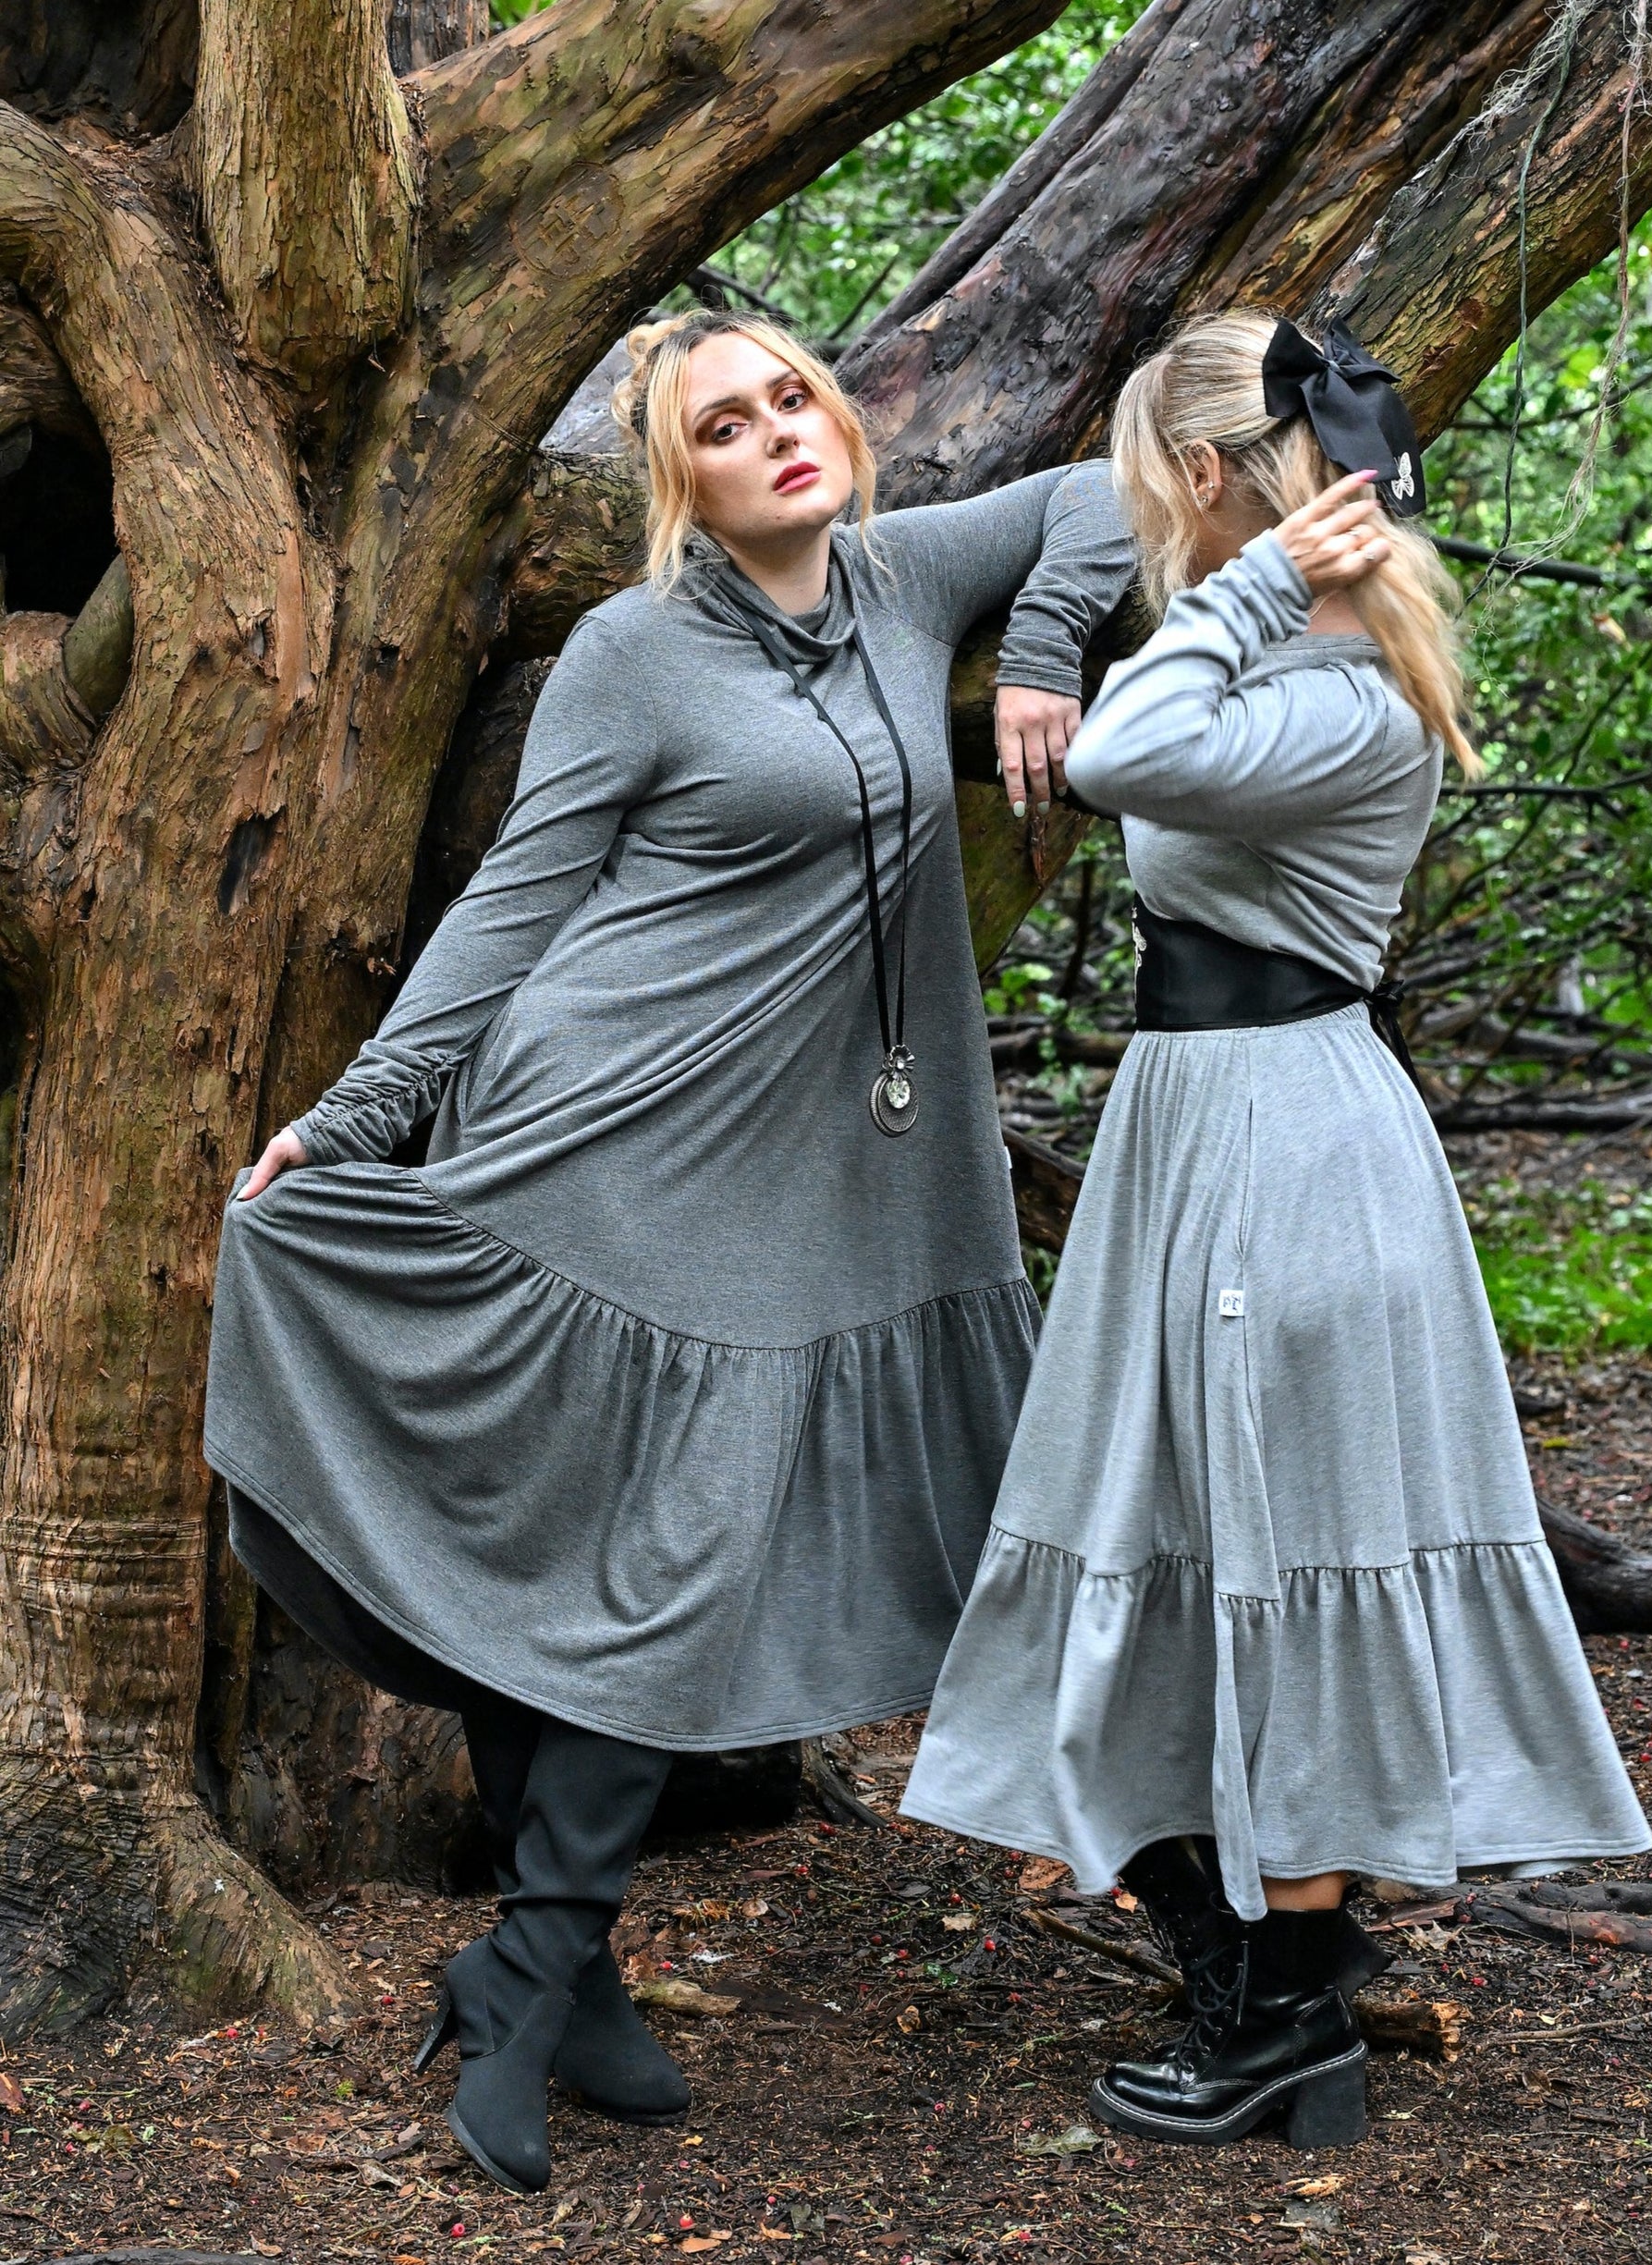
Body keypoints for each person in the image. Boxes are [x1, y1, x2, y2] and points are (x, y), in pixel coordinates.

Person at [205, 307, 1135, 2194]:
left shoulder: (903, 576)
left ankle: (542, 1967)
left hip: (799, 1174)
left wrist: (1038, 654)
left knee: (647, 1556)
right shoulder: (632, 653)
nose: (782, 433)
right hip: (604, 1137)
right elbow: (510, 909)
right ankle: (545, 1964)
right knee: (615, 1551)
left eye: (795, 394)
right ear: (679, 484)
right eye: (727, 425)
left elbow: (1115, 487)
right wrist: (362, 1117)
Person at [901, 311, 1651, 2150]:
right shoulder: (1284, 657)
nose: (1147, 522)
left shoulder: (1321, 685)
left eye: (1170, 487)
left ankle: (1289, 2028)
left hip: (1282, 1151)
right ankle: (1257, 1977)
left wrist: (1238, 595)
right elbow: (1091, 580)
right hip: (1209, 1129)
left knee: (1282, 1552)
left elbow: (1123, 756)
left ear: (1227, 485)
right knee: (1191, 1535)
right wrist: (1073, 629)